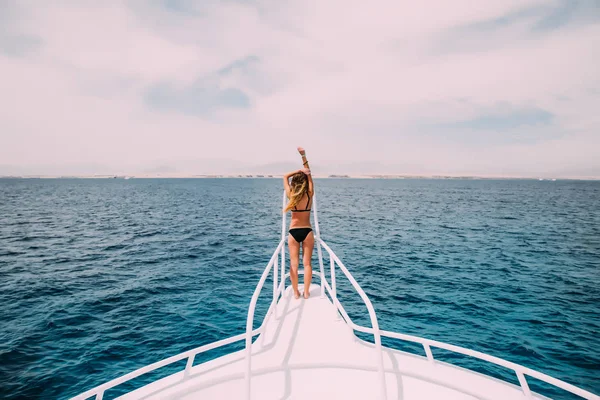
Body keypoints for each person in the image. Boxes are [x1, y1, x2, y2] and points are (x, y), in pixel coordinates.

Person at [283, 147, 314, 299]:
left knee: (294, 264)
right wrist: (303, 156)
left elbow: (284, 176)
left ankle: (296, 293)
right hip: (307, 231)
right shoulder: (309, 194)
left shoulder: (291, 196)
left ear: (294, 182)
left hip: (293, 232)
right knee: (307, 264)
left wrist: (297, 171)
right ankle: (307, 293)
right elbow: (309, 174)